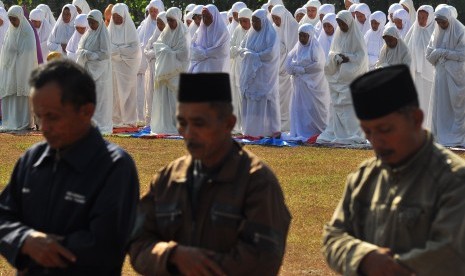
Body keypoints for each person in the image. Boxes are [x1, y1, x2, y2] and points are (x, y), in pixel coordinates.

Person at [129, 72, 291, 275]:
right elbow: (137, 243)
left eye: (199, 124)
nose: (188, 133)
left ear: (229, 124)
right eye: (182, 123)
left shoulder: (256, 182)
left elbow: (263, 260)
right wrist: (172, 255)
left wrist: (196, 265)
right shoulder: (168, 179)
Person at [322, 64, 465, 275]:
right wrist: (364, 257)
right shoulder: (364, 178)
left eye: (385, 129)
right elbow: (333, 236)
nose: (376, 141)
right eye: (368, 132)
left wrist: (388, 267)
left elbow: (450, 252)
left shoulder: (453, 180)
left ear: (416, 119)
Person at [0, 59, 139, 274]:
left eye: (52, 117)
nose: (44, 128)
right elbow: (4, 217)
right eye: (39, 117)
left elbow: (105, 245)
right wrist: (25, 239)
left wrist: (45, 249)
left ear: (86, 111)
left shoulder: (114, 167)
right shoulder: (32, 160)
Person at [316, 10, 368, 145]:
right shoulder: (338, 36)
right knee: (336, 106)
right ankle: (338, 131)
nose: (341, 26)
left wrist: (348, 58)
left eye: (343, 23)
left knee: (349, 105)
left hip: (352, 78)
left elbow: (361, 58)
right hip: (339, 77)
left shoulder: (357, 37)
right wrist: (336, 58)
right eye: (339, 24)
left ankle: (352, 133)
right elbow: (332, 52)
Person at [426, 6, 465, 147]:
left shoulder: (460, 31)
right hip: (441, 76)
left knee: (456, 107)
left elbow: (462, 54)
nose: (441, 25)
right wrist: (438, 54)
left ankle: (457, 136)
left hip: (456, 78)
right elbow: (429, 55)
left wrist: (442, 52)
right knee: (441, 106)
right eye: (438, 22)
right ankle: (441, 134)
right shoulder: (435, 33)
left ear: (449, 19)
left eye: (443, 22)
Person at [240, 9, 281, 137]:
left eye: (257, 21)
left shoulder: (271, 34)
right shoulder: (250, 34)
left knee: (265, 99)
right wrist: (247, 53)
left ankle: (268, 130)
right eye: (253, 21)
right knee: (251, 100)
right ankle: (251, 131)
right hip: (251, 76)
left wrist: (254, 56)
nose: (254, 24)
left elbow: (271, 53)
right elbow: (242, 48)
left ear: (263, 21)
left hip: (265, 75)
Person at [286, 23, 329, 139]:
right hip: (299, 86)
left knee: (312, 108)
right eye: (300, 36)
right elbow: (288, 64)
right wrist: (294, 69)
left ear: (310, 36)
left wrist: (303, 69)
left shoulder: (315, 47)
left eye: (305, 36)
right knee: (300, 109)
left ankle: (314, 131)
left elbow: (319, 65)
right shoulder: (297, 48)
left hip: (313, 86)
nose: (302, 39)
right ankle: (300, 131)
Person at [150, 7, 189, 134]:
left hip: (177, 73)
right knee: (164, 101)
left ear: (177, 19)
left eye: (172, 20)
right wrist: (166, 51)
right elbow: (157, 46)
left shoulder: (183, 33)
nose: (170, 23)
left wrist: (169, 52)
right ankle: (165, 123)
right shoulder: (165, 32)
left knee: (175, 100)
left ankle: (178, 124)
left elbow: (185, 54)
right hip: (164, 73)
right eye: (168, 20)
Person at [0, 5, 37, 131]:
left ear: (20, 17)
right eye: (10, 19)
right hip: (10, 71)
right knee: (11, 96)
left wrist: (17, 56)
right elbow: (5, 52)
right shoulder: (9, 32)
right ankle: (10, 121)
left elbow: (30, 52)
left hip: (23, 70)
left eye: (14, 19)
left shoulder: (28, 32)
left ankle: (24, 123)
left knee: (21, 97)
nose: (12, 22)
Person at [76, 10, 113, 134]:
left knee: (100, 99)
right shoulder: (88, 34)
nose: (91, 25)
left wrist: (90, 55)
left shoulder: (103, 34)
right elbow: (80, 48)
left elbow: (105, 54)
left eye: (93, 22)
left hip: (100, 74)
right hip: (88, 71)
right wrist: (84, 54)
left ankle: (100, 124)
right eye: (89, 22)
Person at [109, 3, 141, 128]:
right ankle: (116, 119)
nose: (116, 19)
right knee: (115, 94)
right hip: (114, 69)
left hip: (127, 69)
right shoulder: (109, 30)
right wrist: (120, 51)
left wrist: (118, 51)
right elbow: (107, 48)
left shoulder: (131, 31)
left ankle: (129, 120)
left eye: (118, 16)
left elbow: (134, 50)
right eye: (114, 16)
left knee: (128, 94)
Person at [405, 5, 435, 129]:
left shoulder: (435, 31)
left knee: (429, 103)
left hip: (430, 76)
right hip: (416, 74)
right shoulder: (414, 31)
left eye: (424, 17)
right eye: (419, 17)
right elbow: (406, 49)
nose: (421, 20)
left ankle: (429, 127)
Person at [271, 4, 299, 132]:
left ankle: (288, 125)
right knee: (277, 98)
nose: (276, 22)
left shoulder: (293, 27)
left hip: (287, 72)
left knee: (287, 99)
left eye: (278, 19)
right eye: (274, 18)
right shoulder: (273, 28)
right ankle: (277, 124)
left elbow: (293, 50)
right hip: (275, 70)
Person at [188, 4, 230, 73]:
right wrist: (203, 53)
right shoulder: (200, 30)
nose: (204, 19)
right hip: (199, 69)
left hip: (215, 68)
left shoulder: (222, 32)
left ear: (213, 16)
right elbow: (192, 48)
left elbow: (220, 51)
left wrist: (203, 53)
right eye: (203, 16)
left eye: (207, 16)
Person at [230, 7, 252, 134]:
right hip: (237, 70)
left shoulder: (254, 32)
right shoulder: (237, 31)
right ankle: (237, 125)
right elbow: (229, 48)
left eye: (245, 21)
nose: (243, 24)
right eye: (241, 21)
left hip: (249, 72)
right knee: (236, 99)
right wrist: (237, 49)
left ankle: (247, 126)